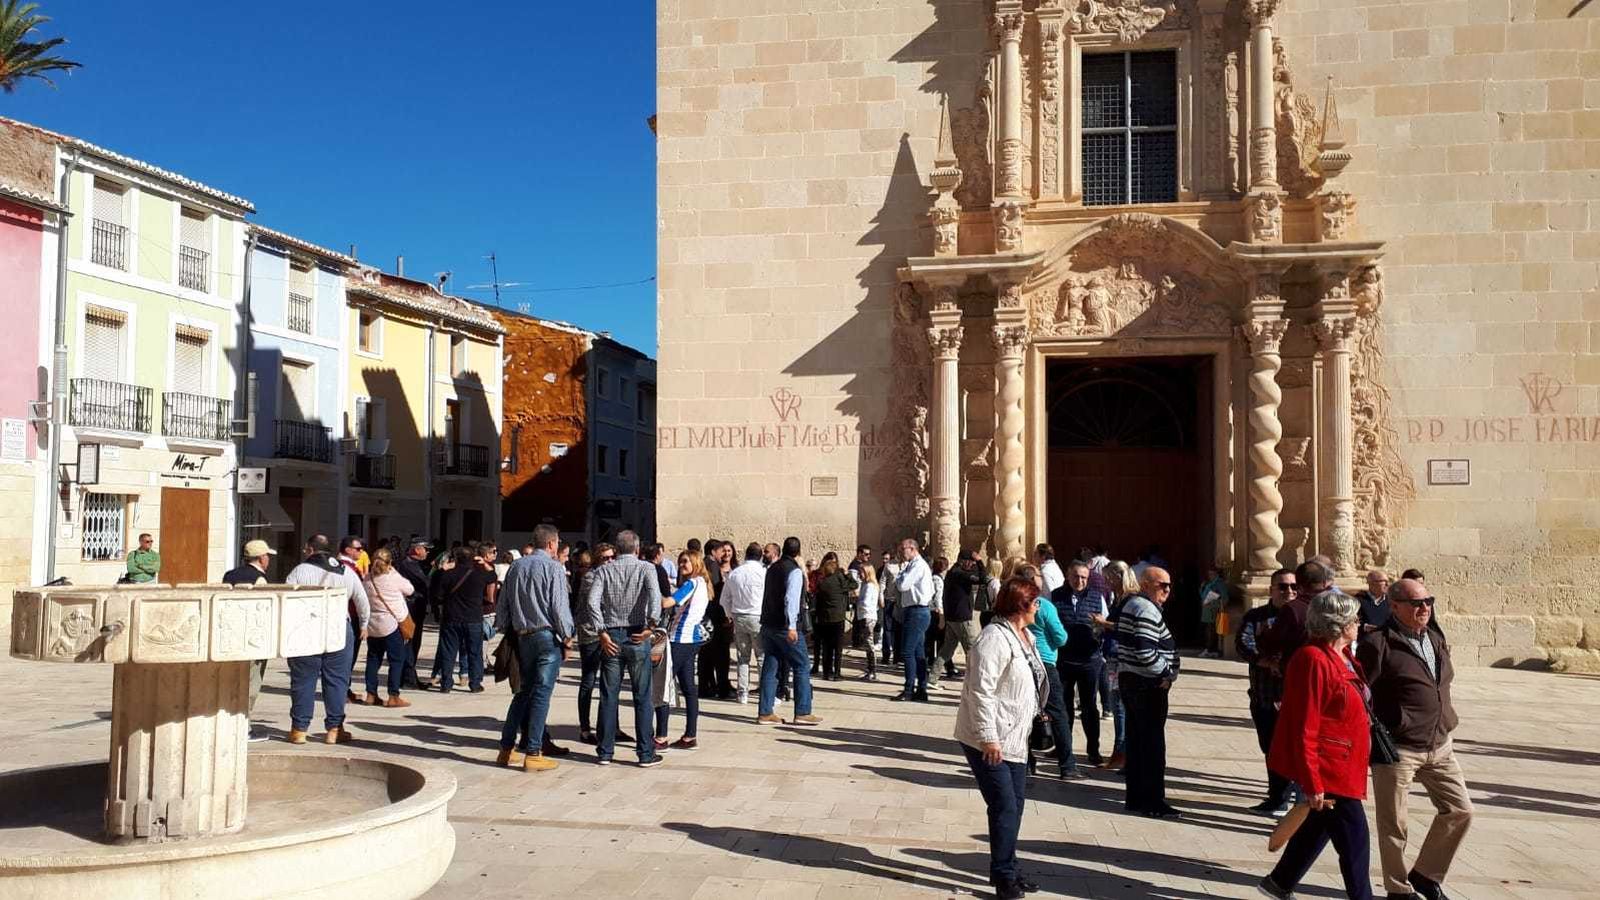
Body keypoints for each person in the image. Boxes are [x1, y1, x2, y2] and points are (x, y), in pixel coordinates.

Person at [1358, 578, 1472, 900]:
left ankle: (1425, 875)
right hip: (1398, 749)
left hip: (1439, 745)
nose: (1424, 608)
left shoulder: (1434, 637)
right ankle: (1398, 889)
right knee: (1394, 826)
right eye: (1416, 603)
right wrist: (1377, 731)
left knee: (1460, 810)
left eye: (1428, 601)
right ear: (1394, 607)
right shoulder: (1378, 643)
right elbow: (1362, 692)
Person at [1258, 591, 1374, 900]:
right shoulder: (1311, 659)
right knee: (1356, 841)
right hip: (1328, 767)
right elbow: (1303, 725)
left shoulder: (1345, 655)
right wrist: (1312, 782)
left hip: (1346, 762)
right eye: (1354, 619)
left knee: (1317, 828)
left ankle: (1280, 882)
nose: (1360, 623)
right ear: (1337, 624)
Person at [953, 577, 1047, 900]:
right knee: (1004, 803)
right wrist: (989, 738)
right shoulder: (993, 639)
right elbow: (981, 691)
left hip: (1016, 737)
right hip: (988, 738)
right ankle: (1004, 876)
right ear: (1020, 605)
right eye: (1035, 602)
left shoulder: (1025, 636)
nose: (1039, 607)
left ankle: (1007, 865)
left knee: (1015, 805)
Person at [496, 524, 576, 772]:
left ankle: (506, 749)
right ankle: (533, 751)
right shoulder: (554, 568)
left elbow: (504, 603)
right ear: (551, 544)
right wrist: (567, 636)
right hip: (545, 634)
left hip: (522, 635)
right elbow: (559, 606)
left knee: (523, 692)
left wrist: (505, 626)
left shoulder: (517, 566)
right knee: (541, 694)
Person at [583, 530, 666, 766]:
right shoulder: (645, 568)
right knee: (642, 695)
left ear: (617, 549)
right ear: (637, 549)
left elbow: (591, 602)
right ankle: (645, 753)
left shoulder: (604, 570)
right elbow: (654, 596)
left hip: (612, 635)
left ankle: (605, 751)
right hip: (638, 633)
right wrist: (652, 625)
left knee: (609, 694)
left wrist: (601, 631)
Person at [284, 535, 368, 744]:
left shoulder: (299, 571)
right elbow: (362, 600)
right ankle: (334, 729)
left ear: (310, 549)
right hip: (338, 627)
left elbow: (285, 598)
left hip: (305, 628)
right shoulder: (346, 571)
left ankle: (299, 729)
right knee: (337, 680)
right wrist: (364, 625)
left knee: (303, 680)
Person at [1117, 566, 1180, 817]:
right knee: (1152, 745)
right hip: (1146, 684)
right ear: (1145, 585)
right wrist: (1165, 674)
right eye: (1160, 584)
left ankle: (1135, 797)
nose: (1166, 589)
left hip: (1133, 681)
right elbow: (1144, 650)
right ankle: (1153, 801)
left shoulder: (1134, 605)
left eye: (1168, 585)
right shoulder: (1144, 608)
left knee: (1137, 742)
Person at [1237, 568, 1297, 816]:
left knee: (1290, 749)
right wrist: (1267, 662)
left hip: (1292, 698)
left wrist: (1282, 663)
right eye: (1283, 587)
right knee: (1269, 747)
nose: (1289, 592)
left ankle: (1286, 797)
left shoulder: (1303, 617)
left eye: (1294, 587)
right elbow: (1243, 644)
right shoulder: (1257, 616)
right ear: (1271, 589)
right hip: (1264, 694)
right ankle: (1276, 796)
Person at [756, 536, 822, 726]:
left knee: (771, 665)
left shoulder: (772, 569)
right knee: (801, 665)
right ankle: (802, 711)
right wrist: (792, 626)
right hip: (785, 627)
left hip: (768, 625)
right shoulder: (793, 571)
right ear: (798, 552)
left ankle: (765, 712)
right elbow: (791, 600)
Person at [1052, 559, 1108, 770]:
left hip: (1089, 660)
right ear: (1068, 575)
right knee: (1063, 707)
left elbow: (1105, 623)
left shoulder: (1096, 597)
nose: (1080, 581)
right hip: (1064, 660)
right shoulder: (1056, 595)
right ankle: (1062, 747)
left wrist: (1099, 628)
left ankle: (1093, 750)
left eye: (1084, 577)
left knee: (1090, 707)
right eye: (1076, 576)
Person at [1025, 567, 1074, 778]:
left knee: (1025, 712)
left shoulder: (1013, 605)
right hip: (1045, 662)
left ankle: (1027, 762)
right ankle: (1067, 765)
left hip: (1022, 660)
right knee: (1058, 714)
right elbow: (1061, 637)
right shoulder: (1044, 606)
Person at [225, 539, 275, 741]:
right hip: (253, 639)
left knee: (231, 682)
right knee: (251, 684)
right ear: (262, 558)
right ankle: (244, 727)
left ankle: (228, 724)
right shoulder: (260, 579)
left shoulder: (230, 574)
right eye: (267, 556)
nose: (268, 560)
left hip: (230, 636)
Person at [666, 549, 713, 749]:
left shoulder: (691, 583)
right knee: (688, 688)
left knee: (664, 685)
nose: (682, 565)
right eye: (680, 562)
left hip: (680, 638)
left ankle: (659, 735)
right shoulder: (702, 583)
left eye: (686, 561)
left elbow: (668, 602)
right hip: (689, 639)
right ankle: (690, 735)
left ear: (695, 562)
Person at [359, 547, 415, 709]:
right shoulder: (391, 577)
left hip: (373, 624)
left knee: (373, 658)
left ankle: (371, 694)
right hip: (391, 623)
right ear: (390, 563)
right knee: (396, 660)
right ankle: (393, 695)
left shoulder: (367, 579)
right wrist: (395, 572)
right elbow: (409, 589)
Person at [436, 546, 496, 693]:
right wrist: (484, 563)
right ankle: (475, 683)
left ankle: (446, 684)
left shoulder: (448, 574)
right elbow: (493, 576)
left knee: (448, 651)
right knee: (474, 652)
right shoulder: (480, 573)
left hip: (451, 617)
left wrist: (442, 569)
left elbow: (438, 594)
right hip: (473, 618)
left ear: (456, 558)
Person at [1259, 558, 1332, 669]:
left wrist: (1265, 632)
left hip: (1299, 668)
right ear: (1324, 582)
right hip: (1330, 666)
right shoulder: (1336, 605)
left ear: (1299, 586)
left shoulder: (1293, 608)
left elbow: (1274, 642)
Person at [1098, 560, 1137, 770]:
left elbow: (1129, 627)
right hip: (1114, 656)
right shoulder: (1120, 598)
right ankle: (1119, 751)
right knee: (1117, 705)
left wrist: (1103, 623)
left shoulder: (1130, 600)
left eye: (1108, 578)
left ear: (1117, 576)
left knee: (1120, 706)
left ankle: (1122, 753)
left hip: (1122, 657)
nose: (1106, 582)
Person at [931, 551, 984, 688]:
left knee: (946, 650)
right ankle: (975, 682)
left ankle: (932, 678)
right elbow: (981, 579)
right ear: (963, 561)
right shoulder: (959, 574)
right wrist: (980, 562)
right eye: (970, 561)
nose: (972, 564)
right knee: (973, 650)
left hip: (952, 618)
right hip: (961, 619)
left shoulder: (953, 572)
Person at [892, 538, 935, 702]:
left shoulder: (917, 566)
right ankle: (922, 689)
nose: (901, 552)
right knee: (918, 653)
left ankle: (909, 689)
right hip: (916, 610)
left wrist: (900, 574)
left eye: (903, 549)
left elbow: (902, 586)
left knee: (907, 651)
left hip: (917, 611)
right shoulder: (914, 565)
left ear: (912, 548)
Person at [724, 542, 767, 704]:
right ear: (760, 556)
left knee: (743, 657)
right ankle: (764, 692)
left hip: (739, 617)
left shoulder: (735, 573)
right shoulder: (763, 573)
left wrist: (730, 615)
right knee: (761, 656)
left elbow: (724, 599)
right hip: (758, 617)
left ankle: (742, 693)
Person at [395, 538, 432, 690]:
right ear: (417, 550)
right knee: (409, 644)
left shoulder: (417, 564)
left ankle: (411, 676)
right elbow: (426, 582)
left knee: (414, 644)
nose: (428, 552)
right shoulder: (407, 564)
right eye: (426, 549)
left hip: (418, 609)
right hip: (411, 609)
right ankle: (408, 678)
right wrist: (440, 570)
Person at [813, 554, 853, 681]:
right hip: (838, 618)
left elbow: (818, 601)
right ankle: (837, 672)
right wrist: (847, 574)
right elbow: (854, 585)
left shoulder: (822, 583)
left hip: (825, 618)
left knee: (826, 647)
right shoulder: (840, 581)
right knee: (838, 647)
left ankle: (826, 672)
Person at [854, 561, 880, 681]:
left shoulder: (870, 586)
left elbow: (866, 602)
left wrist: (857, 600)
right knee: (867, 644)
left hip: (867, 616)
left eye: (861, 572)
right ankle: (871, 669)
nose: (860, 574)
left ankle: (872, 670)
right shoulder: (865, 584)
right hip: (865, 615)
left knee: (869, 644)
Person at [1198, 565, 1228, 658]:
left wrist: (1216, 604)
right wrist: (1201, 588)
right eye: (1209, 574)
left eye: (1212, 574)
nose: (1210, 575)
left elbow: (1225, 597)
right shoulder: (1209, 583)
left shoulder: (1219, 583)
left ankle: (1211, 649)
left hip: (1214, 610)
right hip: (1207, 610)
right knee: (1208, 629)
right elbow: (1203, 596)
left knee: (1212, 630)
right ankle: (1208, 649)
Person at [1357, 569, 1393, 633]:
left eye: (1388, 581)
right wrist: (1364, 627)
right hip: (1366, 640)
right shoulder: (1358, 601)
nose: (1387, 584)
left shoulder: (1391, 601)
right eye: (1384, 581)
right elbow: (1350, 624)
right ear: (1372, 583)